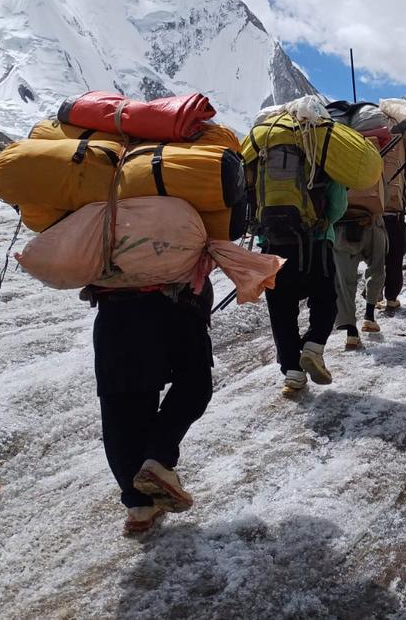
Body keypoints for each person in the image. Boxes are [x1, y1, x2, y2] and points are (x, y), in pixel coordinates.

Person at [88, 280, 215, 536]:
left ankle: (140, 505)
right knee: (193, 384)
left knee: (123, 402)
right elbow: (227, 237)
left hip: (115, 306)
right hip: (178, 303)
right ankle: (157, 459)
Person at [242, 114, 349, 395]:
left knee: (281, 312)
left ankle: (292, 374)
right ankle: (313, 346)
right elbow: (337, 203)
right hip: (316, 243)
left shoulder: (259, 150)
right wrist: (325, 225)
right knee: (325, 300)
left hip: (273, 245)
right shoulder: (318, 146)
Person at [332, 133, 399, 346]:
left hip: (341, 228)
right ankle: (369, 316)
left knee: (344, 281)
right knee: (377, 269)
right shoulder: (373, 161)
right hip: (372, 224)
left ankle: (351, 332)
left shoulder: (333, 158)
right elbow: (385, 197)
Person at [380, 121, 406, 312]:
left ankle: (373, 295)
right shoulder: (399, 164)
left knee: (374, 261)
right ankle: (391, 298)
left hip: (370, 217)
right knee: (394, 259)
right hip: (393, 218)